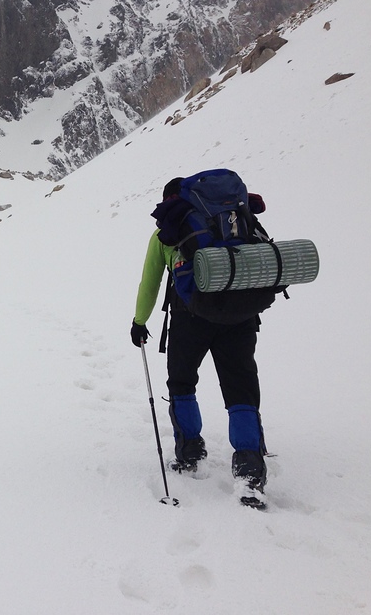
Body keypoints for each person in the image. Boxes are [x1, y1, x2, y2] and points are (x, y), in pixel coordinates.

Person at [130, 177, 267, 504]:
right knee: (240, 384)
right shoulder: (234, 220)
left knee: (181, 382)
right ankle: (249, 463)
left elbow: (150, 282)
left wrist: (139, 321)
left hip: (190, 318)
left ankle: (190, 449)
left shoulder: (168, 231)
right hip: (241, 315)